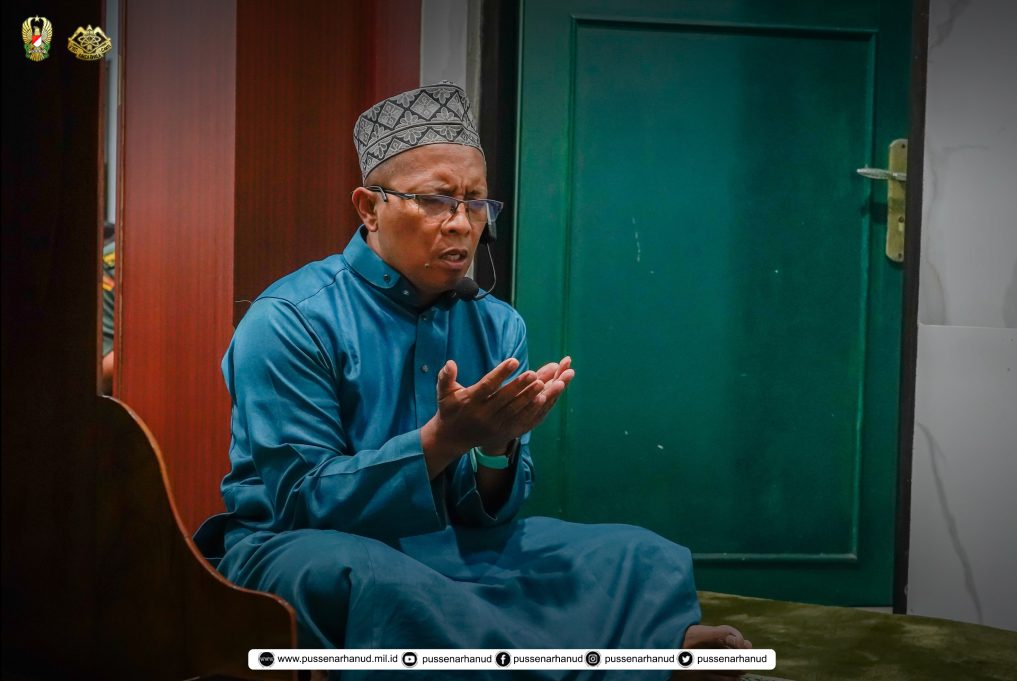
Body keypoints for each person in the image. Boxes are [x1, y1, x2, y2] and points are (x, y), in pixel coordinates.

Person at [194, 82, 750, 680]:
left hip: (447, 544)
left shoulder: (498, 324)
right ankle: (635, 663)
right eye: (436, 200)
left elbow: (490, 515)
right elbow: (302, 501)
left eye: (476, 203)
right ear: (368, 207)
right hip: (301, 546)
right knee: (367, 579)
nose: (462, 224)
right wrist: (442, 441)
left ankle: (628, 651)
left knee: (634, 553)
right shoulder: (290, 318)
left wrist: (494, 447)